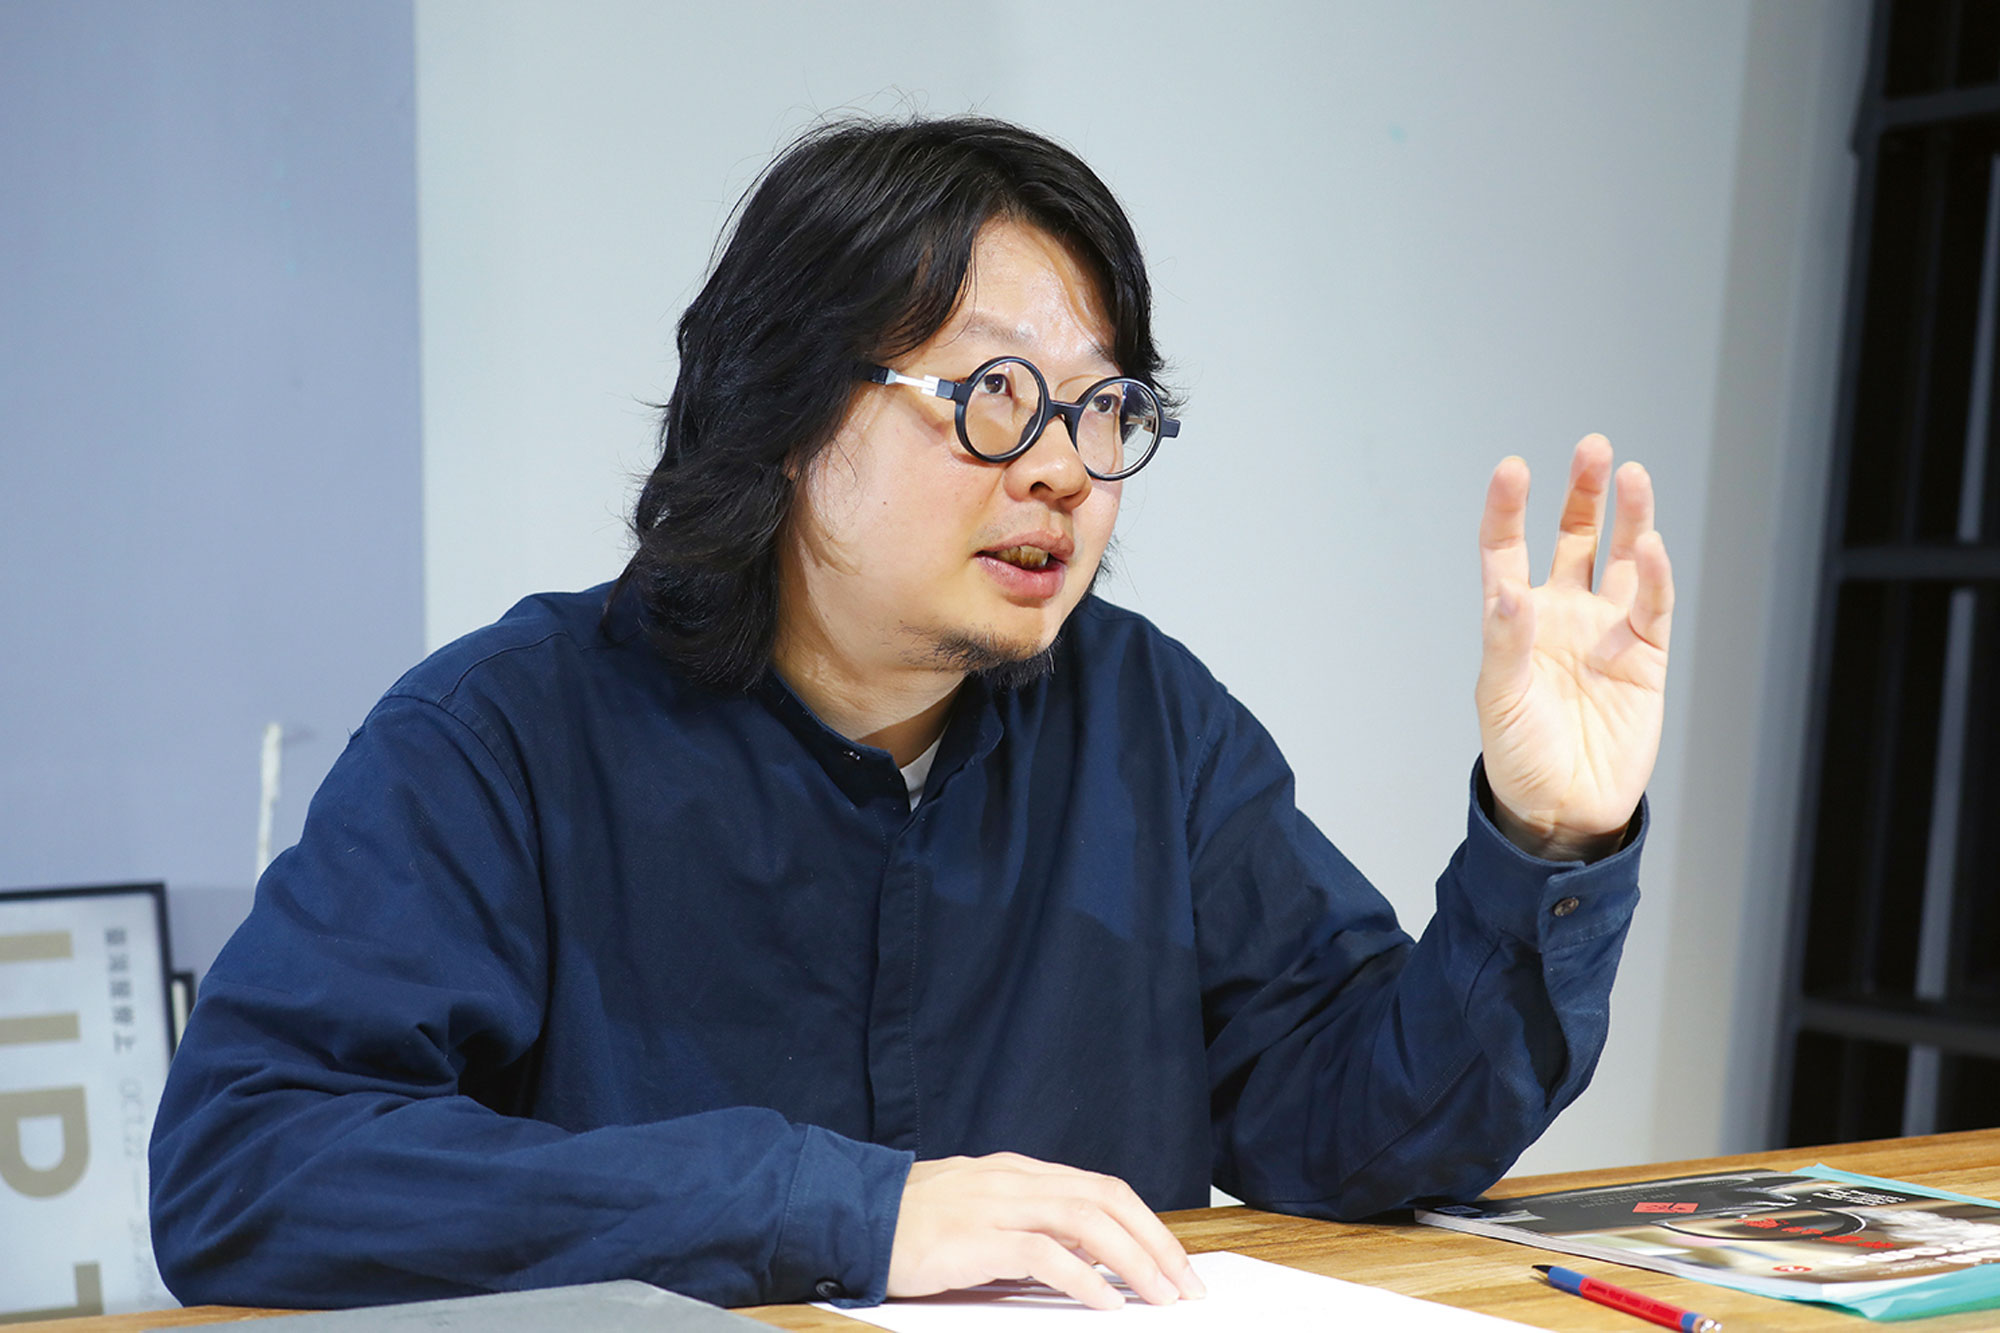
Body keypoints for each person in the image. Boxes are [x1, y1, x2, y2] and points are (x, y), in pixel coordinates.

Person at [149, 115, 1673, 1314]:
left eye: (1104, 409)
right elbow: (250, 1162)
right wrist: (845, 1208)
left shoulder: (1147, 722)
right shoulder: (509, 734)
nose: (1063, 469)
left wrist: (1551, 831)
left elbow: (1353, 1129)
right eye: (995, 397)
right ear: (788, 413)